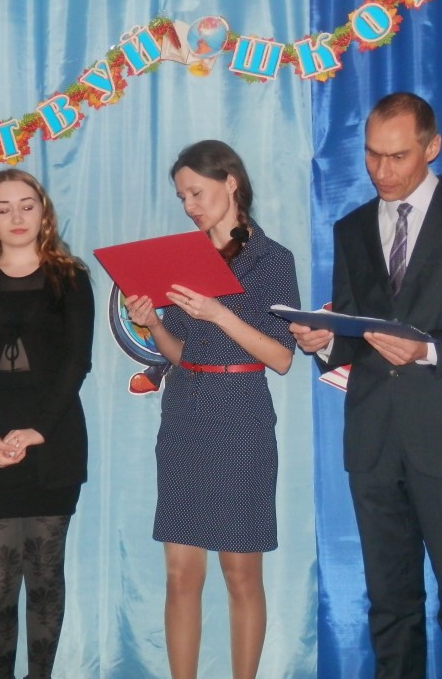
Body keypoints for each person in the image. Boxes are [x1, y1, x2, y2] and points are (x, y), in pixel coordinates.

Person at [290, 93, 442, 679]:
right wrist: (324, 342)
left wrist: (430, 348)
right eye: (372, 155)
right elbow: (356, 330)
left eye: (397, 156)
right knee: (389, 607)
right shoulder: (351, 227)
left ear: (432, 147)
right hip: (373, 440)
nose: (382, 170)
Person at [123, 140, 300, 679]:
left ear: (231, 182)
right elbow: (180, 354)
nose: (189, 206)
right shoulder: (184, 258)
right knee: (181, 574)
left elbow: (281, 358)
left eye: (196, 193)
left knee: (241, 572)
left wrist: (220, 313)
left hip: (242, 414)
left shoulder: (273, 260)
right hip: (185, 412)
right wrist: (153, 323)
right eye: (182, 197)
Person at [0, 168, 94, 679]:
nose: (17, 217)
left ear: (43, 212)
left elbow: (77, 363)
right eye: (4, 207)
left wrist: (39, 430)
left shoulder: (70, 278)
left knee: (45, 580)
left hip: (53, 442)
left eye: (26, 205)